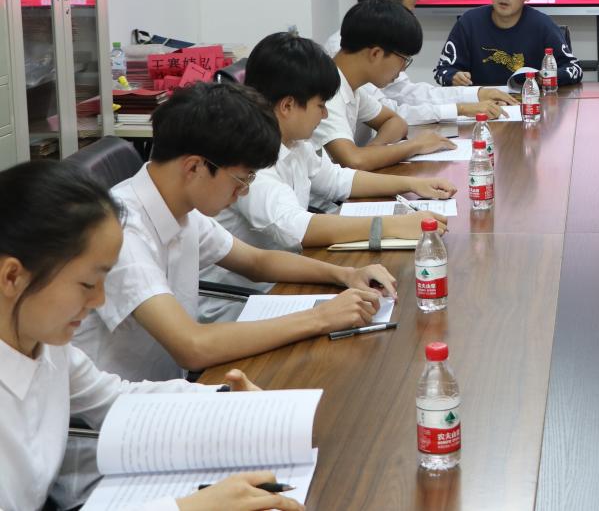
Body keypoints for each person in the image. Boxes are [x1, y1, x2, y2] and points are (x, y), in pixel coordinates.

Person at [0, 159, 304, 511]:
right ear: (12, 277)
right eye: (87, 283)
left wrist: (226, 401)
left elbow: (117, 398)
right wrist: (188, 508)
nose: (99, 300)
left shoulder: (44, 343)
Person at [73, 81, 396, 383]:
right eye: (242, 179)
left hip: (171, 388)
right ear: (194, 167)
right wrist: (321, 317)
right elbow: (192, 346)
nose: (243, 192)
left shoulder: (178, 206)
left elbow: (257, 262)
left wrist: (345, 275)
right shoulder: (122, 231)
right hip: (124, 411)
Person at [201, 33, 457, 311]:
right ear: (287, 106)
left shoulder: (294, 141)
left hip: (288, 275)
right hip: (243, 300)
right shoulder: (249, 157)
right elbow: (297, 229)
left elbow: (337, 180)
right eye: (320, 105)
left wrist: (411, 184)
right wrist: (392, 226)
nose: (324, 115)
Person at [322, 0, 514, 122]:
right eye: (407, 12)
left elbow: (407, 95)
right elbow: (394, 112)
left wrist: (475, 95)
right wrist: (462, 107)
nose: (410, 20)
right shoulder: (348, 52)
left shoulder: (373, 48)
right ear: (383, 7)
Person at [315, 0, 455, 171]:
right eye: (404, 59)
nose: (403, 69)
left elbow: (396, 122)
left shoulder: (351, 86)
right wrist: (416, 145)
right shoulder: (324, 90)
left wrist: (373, 150)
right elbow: (354, 161)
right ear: (376, 54)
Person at [433, 0, 583, 87]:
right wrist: (453, 77)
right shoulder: (469, 23)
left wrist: (546, 77)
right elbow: (441, 71)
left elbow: (574, 69)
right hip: (481, 105)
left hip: (530, 103)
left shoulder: (542, 25)